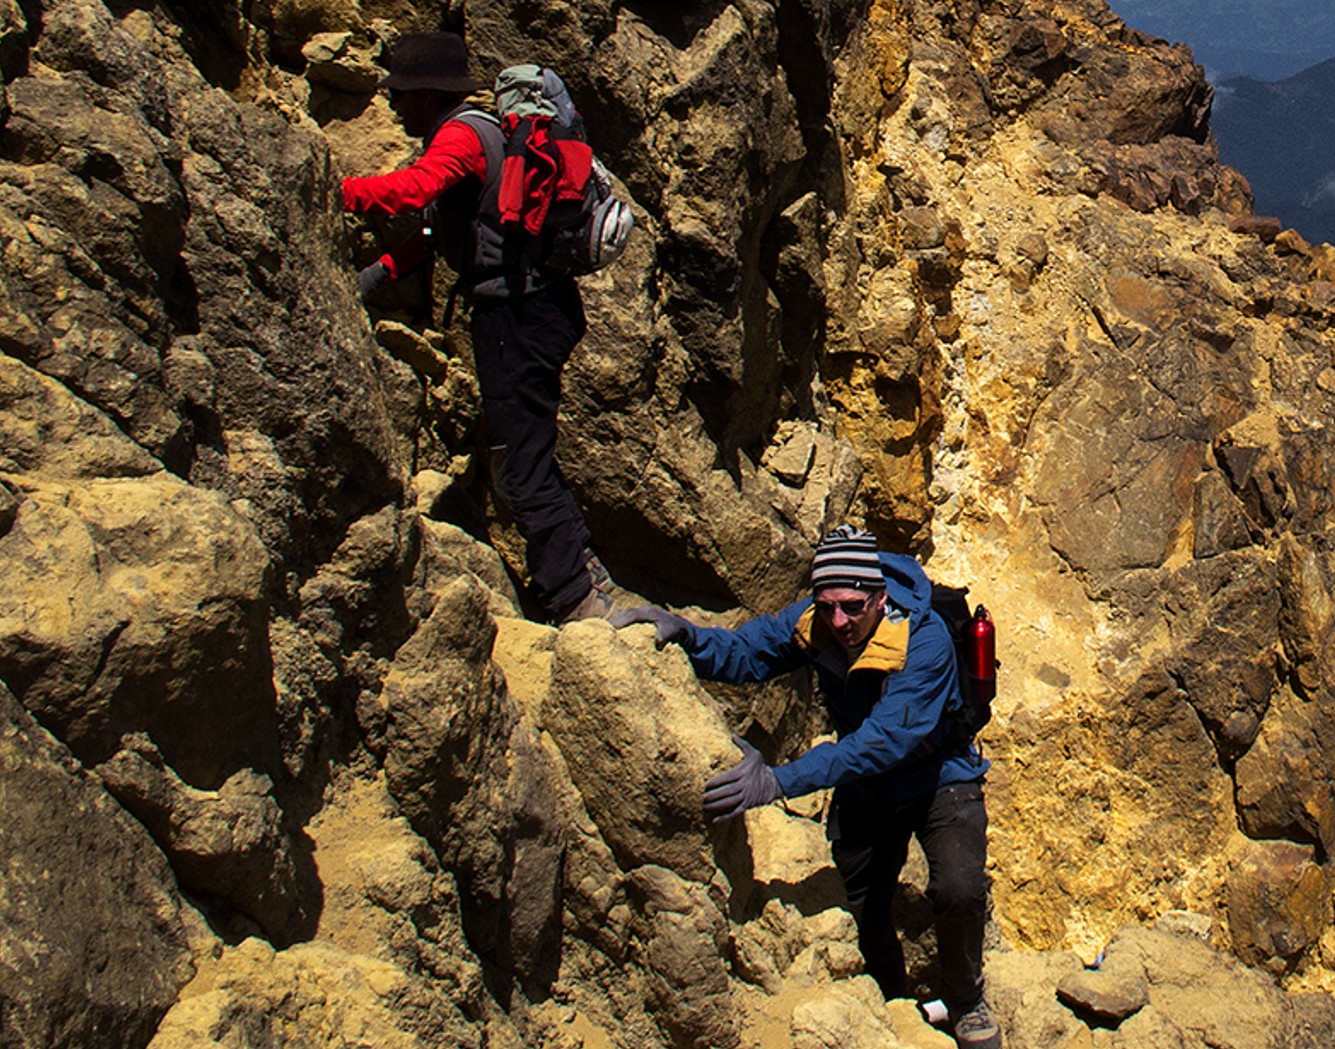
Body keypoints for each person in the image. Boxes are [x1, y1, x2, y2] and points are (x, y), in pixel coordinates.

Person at [611, 527, 1000, 1048]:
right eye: (827, 605)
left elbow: (882, 741)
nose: (839, 621)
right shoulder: (816, 621)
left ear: (880, 597)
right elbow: (748, 652)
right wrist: (686, 635)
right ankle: (889, 1007)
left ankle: (965, 1001)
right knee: (861, 906)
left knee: (958, 887)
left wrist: (776, 781)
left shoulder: (923, 639)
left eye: (853, 606)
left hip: (939, 775)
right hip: (868, 787)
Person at [341, 31, 616, 622]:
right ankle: (583, 572)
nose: (394, 105)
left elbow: (412, 193)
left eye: (402, 94)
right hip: (537, 308)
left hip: (515, 316)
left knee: (519, 464)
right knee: (527, 452)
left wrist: (333, 190)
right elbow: (438, 234)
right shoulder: (485, 133)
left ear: (427, 94)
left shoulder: (463, 135)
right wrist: (375, 276)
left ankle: (576, 599)